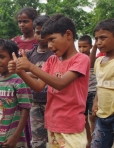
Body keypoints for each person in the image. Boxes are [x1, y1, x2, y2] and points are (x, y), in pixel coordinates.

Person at [8, 14, 90, 147]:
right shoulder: (52, 60)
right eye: (47, 41)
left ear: (68, 34)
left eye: (52, 39)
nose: (50, 46)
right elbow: (38, 86)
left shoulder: (81, 59)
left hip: (70, 125)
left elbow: (61, 83)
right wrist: (20, 71)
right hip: (53, 123)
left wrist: (30, 66)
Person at [26, 15, 53, 148]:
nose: (41, 35)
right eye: (38, 32)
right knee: (37, 139)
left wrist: (33, 72)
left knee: (55, 137)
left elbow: (52, 74)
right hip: (35, 100)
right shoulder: (30, 54)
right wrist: (35, 72)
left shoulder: (54, 53)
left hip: (52, 101)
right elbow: (25, 74)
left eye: (44, 32)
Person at [91, 19, 114, 148]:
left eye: (103, 38)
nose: (99, 42)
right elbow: (100, 85)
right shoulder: (99, 61)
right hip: (102, 116)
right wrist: (96, 102)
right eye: (96, 39)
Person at [78, 35, 97, 148]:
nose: (82, 49)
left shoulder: (93, 58)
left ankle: (95, 141)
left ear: (90, 46)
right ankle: (89, 141)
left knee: (93, 118)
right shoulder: (78, 59)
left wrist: (95, 47)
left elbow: (90, 62)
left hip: (93, 92)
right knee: (83, 119)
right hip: (82, 93)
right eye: (80, 47)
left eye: (85, 46)